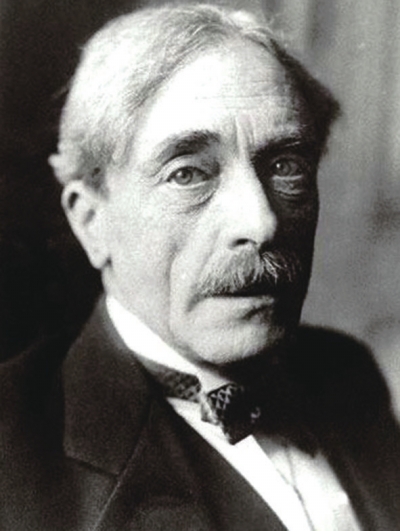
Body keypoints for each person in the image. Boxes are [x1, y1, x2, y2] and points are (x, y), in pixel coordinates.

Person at [2, 3, 400, 530]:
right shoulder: (14, 457)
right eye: (189, 174)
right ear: (92, 220)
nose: (261, 223)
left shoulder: (346, 372)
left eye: (286, 165)